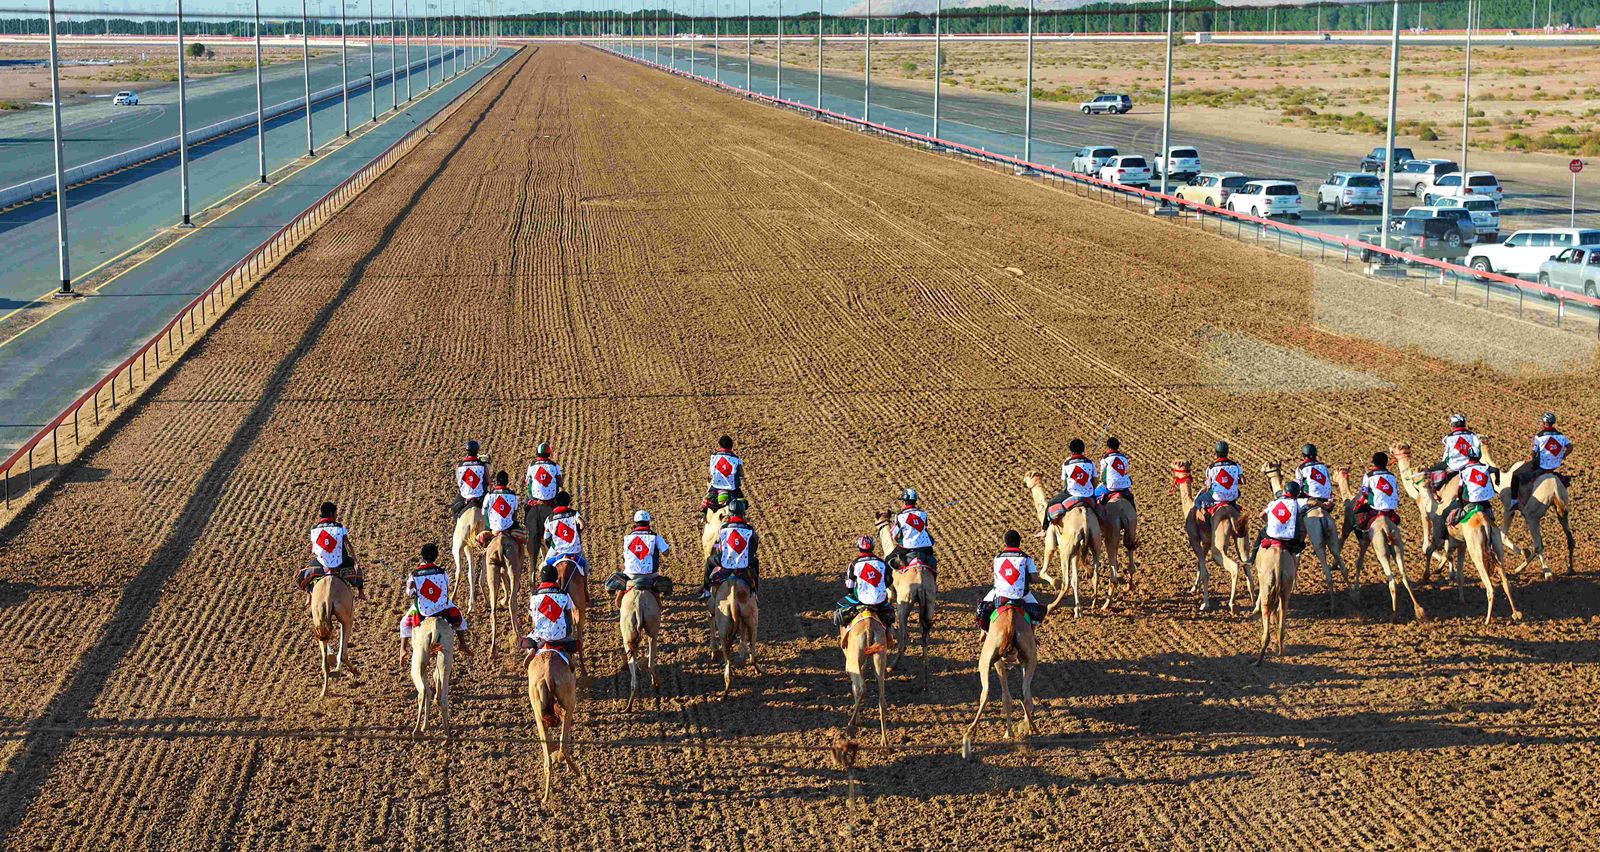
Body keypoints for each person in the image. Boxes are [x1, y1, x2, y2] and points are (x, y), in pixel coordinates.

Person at [399, 543, 470, 665]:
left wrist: (411, 586)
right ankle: (462, 643)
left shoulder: (414, 574)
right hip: (442, 608)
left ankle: (403, 649)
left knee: (403, 623)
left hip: (424, 611)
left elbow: (409, 593)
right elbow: (445, 587)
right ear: (436, 556)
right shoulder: (441, 572)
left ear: (422, 556)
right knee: (460, 617)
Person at [832, 535, 896, 647]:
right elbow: (889, 581)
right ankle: (888, 634)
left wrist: (852, 592)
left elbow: (849, 586)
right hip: (880, 601)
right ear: (873, 547)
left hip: (860, 600)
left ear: (859, 547)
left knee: (840, 604)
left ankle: (844, 634)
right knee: (889, 611)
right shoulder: (882, 562)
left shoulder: (854, 564)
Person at [976, 530, 1047, 632]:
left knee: (981, 610)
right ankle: (1031, 633)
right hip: (1022, 596)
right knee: (1039, 613)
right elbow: (1035, 578)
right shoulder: (1027, 558)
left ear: (1005, 542)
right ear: (1019, 542)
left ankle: (984, 633)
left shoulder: (997, 558)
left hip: (999, 595)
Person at [297, 502, 364, 599]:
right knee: (358, 570)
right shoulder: (339, 527)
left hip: (322, 563)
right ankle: (361, 591)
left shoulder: (314, 529)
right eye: (336, 513)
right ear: (332, 513)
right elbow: (347, 544)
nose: (337, 515)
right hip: (341, 562)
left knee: (309, 575)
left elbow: (314, 548)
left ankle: (309, 595)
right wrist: (356, 561)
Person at [605, 510, 672, 605]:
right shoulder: (655, 537)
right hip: (651, 575)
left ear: (635, 524)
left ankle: (619, 597)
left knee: (622, 579)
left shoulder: (627, 538)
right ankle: (657, 600)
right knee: (659, 593)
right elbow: (666, 553)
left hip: (630, 575)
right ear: (648, 522)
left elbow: (625, 556)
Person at [1510, 412, 1571, 510]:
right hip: (1555, 465)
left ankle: (1514, 501)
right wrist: (1563, 456)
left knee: (1516, 474)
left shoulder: (1539, 436)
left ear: (1544, 423)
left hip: (1542, 466)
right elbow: (1570, 447)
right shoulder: (1561, 436)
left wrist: (1530, 457)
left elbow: (1534, 453)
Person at [700, 498, 759, 599]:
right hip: (744, 563)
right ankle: (755, 591)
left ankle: (706, 591)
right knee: (755, 562)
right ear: (743, 513)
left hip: (725, 562)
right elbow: (754, 546)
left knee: (709, 561)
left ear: (730, 513)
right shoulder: (749, 529)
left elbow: (720, 546)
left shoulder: (723, 528)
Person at [519, 561, 579, 658]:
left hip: (541, 636)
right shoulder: (564, 595)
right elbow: (570, 619)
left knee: (526, 640)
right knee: (574, 644)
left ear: (542, 579)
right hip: (561, 637)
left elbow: (534, 620)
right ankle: (569, 657)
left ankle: (532, 649)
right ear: (556, 578)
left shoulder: (534, 596)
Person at [1042, 438, 1100, 532]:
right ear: (1083, 449)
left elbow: (1064, 483)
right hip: (1088, 494)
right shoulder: (1090, 463)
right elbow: (1095, 481)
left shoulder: (1066, 463)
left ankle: (1044, 529)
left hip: (1071, 494)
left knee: (1050, 503)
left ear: (1071, 450)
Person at [1254, 480, 1308, 560]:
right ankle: (1294, 559)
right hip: (1289, 538)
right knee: (1301, 544)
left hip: (1272, 535)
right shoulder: (1298, 502)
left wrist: (1269, 522)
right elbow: (1312, 502)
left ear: (1284, 491)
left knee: (1261, 534)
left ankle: (1252, 558)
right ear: (1297, 493)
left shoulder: (1274, 502)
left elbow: (1261, 515)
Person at [523, 441, 563, 546]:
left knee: (526, 505)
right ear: (549, 454)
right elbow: (560, 483)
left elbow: (527, 482)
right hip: (550, 501)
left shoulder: (532, 465)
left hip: (534, 500)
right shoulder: (555, 466)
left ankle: (527, 528)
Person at [887, 488, 937, 571]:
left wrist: (898, 541)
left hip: (907, 548)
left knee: (888, 559)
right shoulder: (923, 514)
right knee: (932, 560)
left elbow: (894, 534)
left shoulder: (900, 516)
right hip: (925, 547)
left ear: (904, 502)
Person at [541, 490, 586, 574]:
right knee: (585, 566)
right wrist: (578, 531)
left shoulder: (549, 519)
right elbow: (582, 524)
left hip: (558, 550)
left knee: (545, 565)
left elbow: (546, 538)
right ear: (568, 502)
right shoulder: (574, 513)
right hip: (575, 550)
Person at [1429, 414, 1482, 485]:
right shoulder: (1472, 436)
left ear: (1453, 425)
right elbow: (1478, 449)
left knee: (1431, 472)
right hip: (1469, 464)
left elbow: (1446, 454)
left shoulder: (1448, 438)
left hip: (1453, 466)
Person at [1196, 441, 1244, 515]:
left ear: (1216, 453)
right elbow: (1243, 481)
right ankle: (1234, 505)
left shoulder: (1211, 467)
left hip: (1217, 496)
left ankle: (1206, 515)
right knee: (1238, 493)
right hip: (1232, 495)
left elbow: (1208, 485)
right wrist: (1234, 481)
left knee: (1198, 501)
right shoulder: (1235, 465)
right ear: (1227, 452)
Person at [702, 435, 745, 512]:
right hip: (732, 489)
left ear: (720, 445)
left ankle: (704, 514)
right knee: (743, 504)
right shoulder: (736, 459)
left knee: (705, 503)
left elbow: (711, 472)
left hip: (716, 486)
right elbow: (742, 474)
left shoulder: (713, 457)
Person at [450, 440, 488, 518]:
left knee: (454, 509)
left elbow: (459, 482)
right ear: (477, 451)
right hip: (480, 496)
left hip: (465, 496)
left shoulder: (460, 466)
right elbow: (488, 481)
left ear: (467, 451)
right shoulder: (482, 465)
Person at [1295, 444, 1336, 513]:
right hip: (1326, 500)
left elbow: (1298, 485)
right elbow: (1328, 482)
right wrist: (1330, 500)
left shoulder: (1301, 468)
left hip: (1311, 498)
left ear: (1303, 455)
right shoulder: (1323, 466)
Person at [1098, 436, 1135, 508]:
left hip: (1111, 486)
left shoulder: (1105, 459)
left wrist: (1101, 480)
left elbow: (1102, 474)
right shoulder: (1124, 458)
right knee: (1130, 497)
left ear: (1108, 447)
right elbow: (1126, 470)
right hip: (1124, 486)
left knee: (1096, 493)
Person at [484, 470, 521, 534]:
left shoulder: (489, 495)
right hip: (509, 527)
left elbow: (484, 512)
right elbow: (515, 514)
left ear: (497, 481)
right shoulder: (513, 495)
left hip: (492, 527)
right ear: (507, 482)